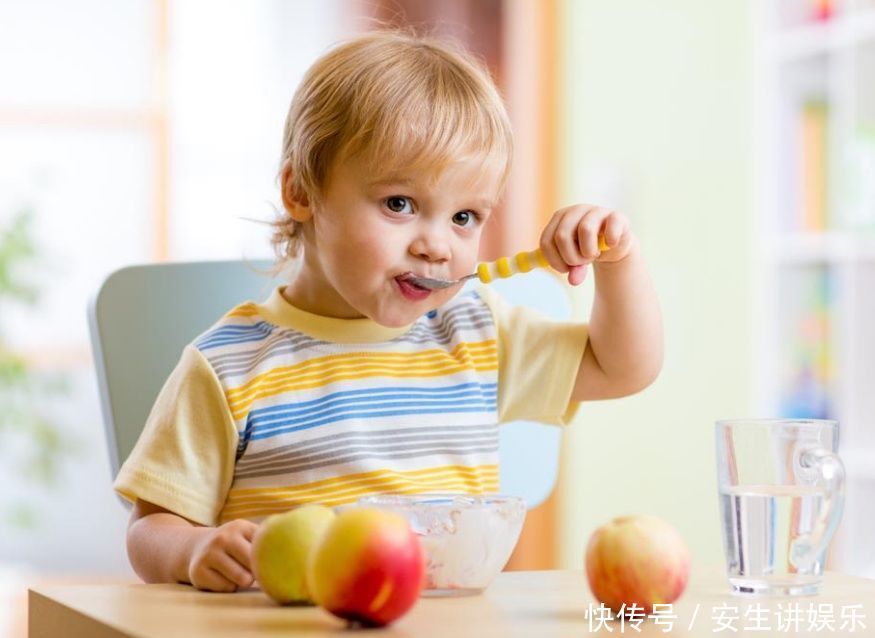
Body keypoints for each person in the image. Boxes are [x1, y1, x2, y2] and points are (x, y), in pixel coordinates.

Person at [114, 30, 662, 593]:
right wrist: (192, 550)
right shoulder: (228, 366)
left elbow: (622, 367)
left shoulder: (475, 331)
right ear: (301, 192)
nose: (437, 246)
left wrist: (618, 262)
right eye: (399, 204)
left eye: (465, 217)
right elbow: (149, 530)